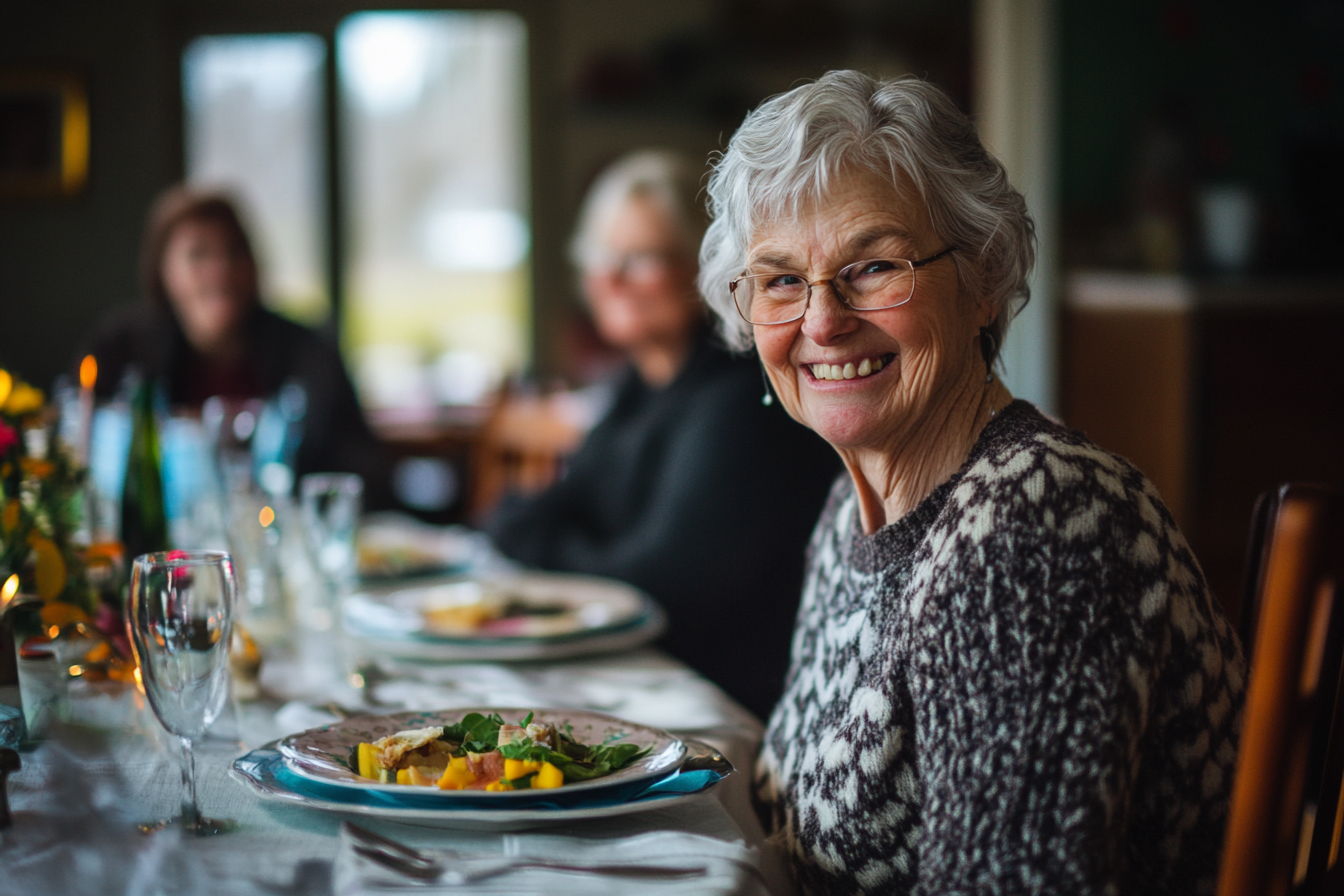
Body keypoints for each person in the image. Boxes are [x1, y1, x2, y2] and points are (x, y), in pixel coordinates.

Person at [697, 72, 1246, 894]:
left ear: (984, 279)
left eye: (873, 265)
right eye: (781, 280)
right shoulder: (849, 511)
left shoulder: (1040, 522)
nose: (821, 322)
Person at [484, 151, 840, 719]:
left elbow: (653, 590)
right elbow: (527, 511)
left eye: (641, 258)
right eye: (600, 255)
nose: (610, 278)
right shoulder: (639, 385)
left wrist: (544, 549)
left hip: (727, 709)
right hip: (647, 678)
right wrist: (564, 545)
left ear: (706, 270)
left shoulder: (739, 399)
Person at [77, 186, 390, 506]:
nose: (221, 270)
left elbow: (365, 475)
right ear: (163, 271)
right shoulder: (120, 348)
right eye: (198, 255)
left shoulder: (309, 354)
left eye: (233, 252)